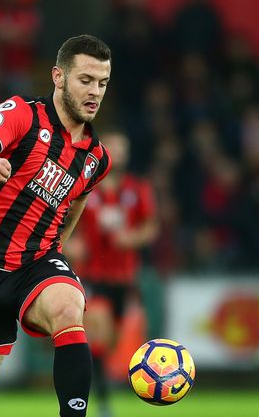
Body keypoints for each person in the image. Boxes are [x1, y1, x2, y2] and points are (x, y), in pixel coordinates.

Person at [0, 34, 112, 417]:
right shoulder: (23, 113)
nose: (95, 92)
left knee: (69, 309)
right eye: (85, 80)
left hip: (37, 263)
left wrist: (56, 250)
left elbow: (77, 203)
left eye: (102, 83)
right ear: (58, 76)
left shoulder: (97, 158)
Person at [68, 130, 158, 417]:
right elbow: (62, 221)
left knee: (112, 341)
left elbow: (150, 226)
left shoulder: (138, 188)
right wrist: (72, 244)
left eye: (122, 148)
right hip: (92, 274)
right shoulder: (86, 186)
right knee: (98, 330)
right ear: (103, 150)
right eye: (113, 147)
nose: (117, 153)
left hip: (123, 276)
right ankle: (102, 401)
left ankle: (103, 387)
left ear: (128, 154)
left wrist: (132, 238)